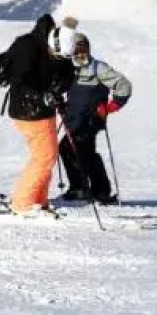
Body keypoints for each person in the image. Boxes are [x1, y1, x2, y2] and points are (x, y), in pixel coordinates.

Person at [2, 13, 76, 215]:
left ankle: (38, 199)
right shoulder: (27, 47)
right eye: (54, 53)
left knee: (47, 156)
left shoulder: (61, 48)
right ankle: (22, 202)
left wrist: (59, 88)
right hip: (27, 109)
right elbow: (20, 79)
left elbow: (68, 74)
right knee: (45, 156)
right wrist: (41, 96)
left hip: (46, 110)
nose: (56, 57)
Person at [57, 32, 131, 204]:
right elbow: (68, 91)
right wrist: (61, 103)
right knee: (72, 149)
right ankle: (87, 189)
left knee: (82, 151)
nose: (79, 53)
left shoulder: (99, 68)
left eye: (83, 49)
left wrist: (110, 106)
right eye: (76, 50)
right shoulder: (70, 69)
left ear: (88, 49)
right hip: (74, 119)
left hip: (90, 119)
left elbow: (124, 86)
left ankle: (94, 191)